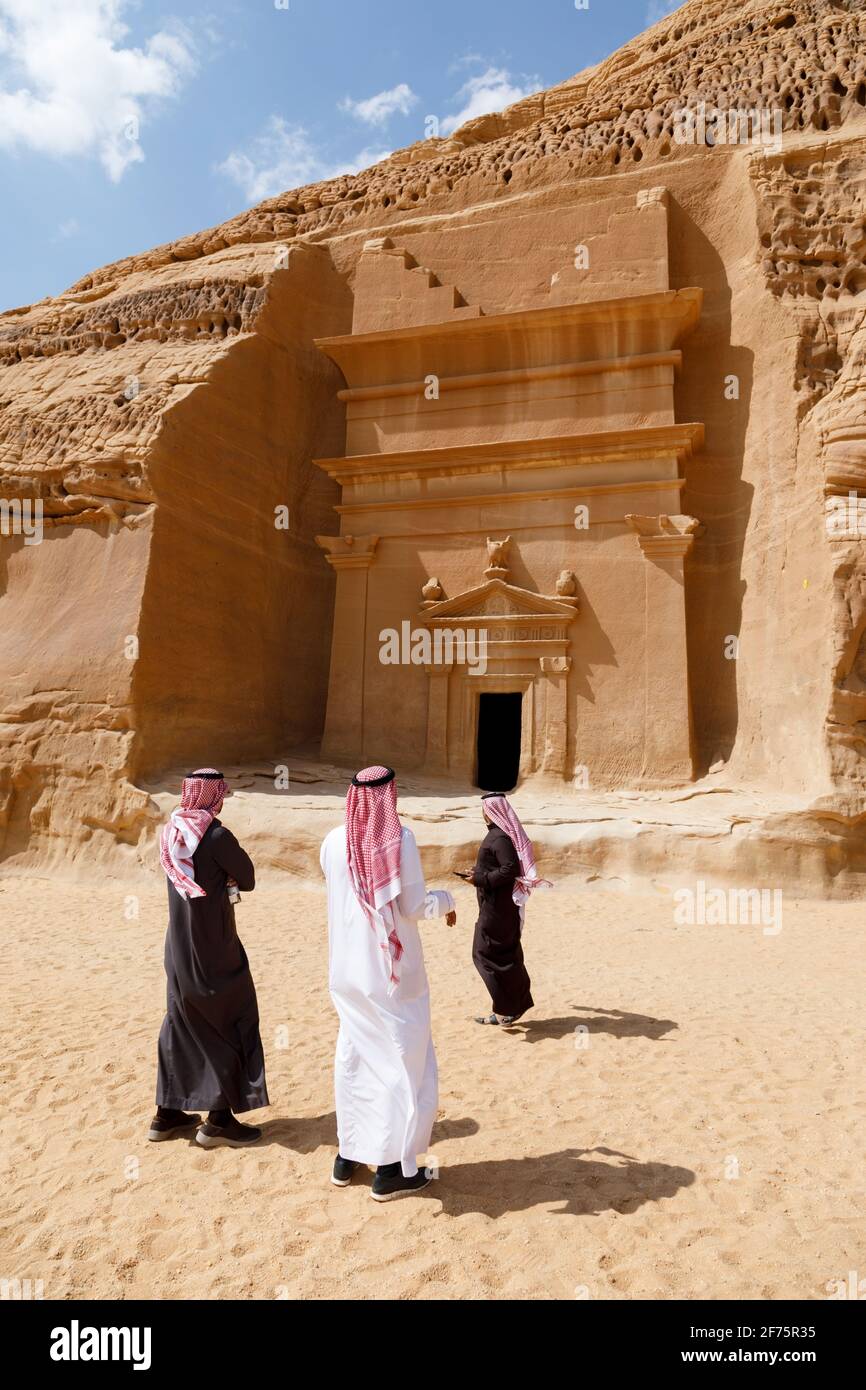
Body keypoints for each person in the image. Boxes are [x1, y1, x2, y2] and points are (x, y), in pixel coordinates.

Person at [320, 765, 456, 1201]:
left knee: (356, 1057)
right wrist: (448, 900)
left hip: (346, 972)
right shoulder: (401, 839)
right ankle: (394, 1169)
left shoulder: (333, 841)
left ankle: (349, 1155)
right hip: (392, 975)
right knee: (402, 1062)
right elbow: (414, 906)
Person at [149, 768, 269, 1148]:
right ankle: (218, 1120)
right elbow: (247, 877)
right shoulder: (216, 836)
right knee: (231, 1016)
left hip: (179, 947)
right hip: (214, 946)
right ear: (213, 797)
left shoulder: (171, 832)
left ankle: (167, 1113)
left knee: (182, 1019)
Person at [459, 792, 550, 1026]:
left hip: (498, 909)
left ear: (492, 811)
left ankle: (508, 1008)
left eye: (485, 809)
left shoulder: (499, 838)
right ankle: (506, 1008)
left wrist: (481, 879)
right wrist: (478, 874)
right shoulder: (497, 835)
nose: (483, 813)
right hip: (495, 906)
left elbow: (509, 870)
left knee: (486, 953)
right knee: (501, 954)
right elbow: (500, 867)